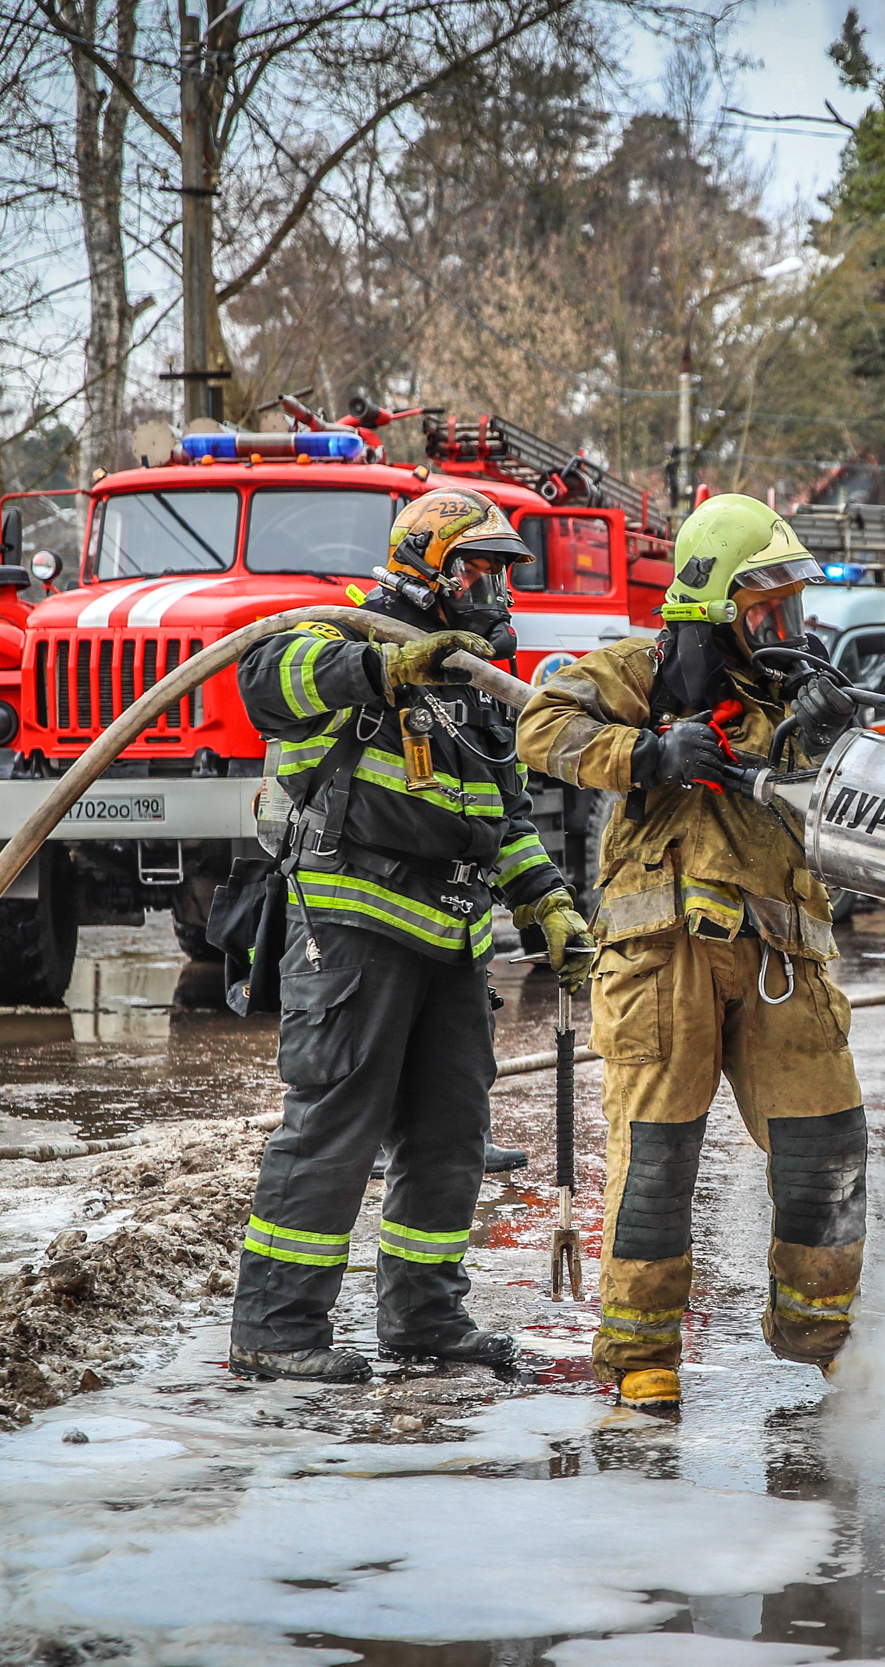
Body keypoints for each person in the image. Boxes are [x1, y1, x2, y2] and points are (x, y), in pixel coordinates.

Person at [227, 486, 600, 1384]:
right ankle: (276, 1329)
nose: (499, 593)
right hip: (353, 927)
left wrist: (545, 902)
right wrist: (380, 672)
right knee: (335, 1125)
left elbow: (500, 817)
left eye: (506, 575)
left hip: (454, 939)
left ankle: (425, 1317)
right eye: (483, 571)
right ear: (430, 568)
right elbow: (261, 679)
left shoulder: (478, 684)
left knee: (450, 1133)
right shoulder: (350, 639)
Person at [515, 492, 867, 1418]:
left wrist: (840, 732)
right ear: (714, 607)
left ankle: (821, 1334)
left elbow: (871, 780)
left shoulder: (805, 693)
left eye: (791, 605)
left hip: (782, 959)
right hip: (659, 962)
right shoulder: (640, 671)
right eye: (765, 609)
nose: (784, 627)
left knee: (825, 1147)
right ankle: (639, 1355)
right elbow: (541, 727)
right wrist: (650, 752)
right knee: (658, 1161)